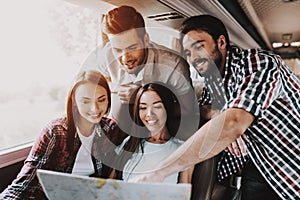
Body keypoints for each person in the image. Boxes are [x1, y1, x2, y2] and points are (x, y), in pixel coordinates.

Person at [128, 15, 300, 200]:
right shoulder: (213, 77)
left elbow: (233, 122)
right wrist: (218, 114)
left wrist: (159, 172)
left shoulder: (260, 64)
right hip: (258, 162)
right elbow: (205, 110)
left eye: (199, 46)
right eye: (187, 52)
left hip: (290, 164)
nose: (193, 57)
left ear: (221, 42)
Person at [0, 70, 127, 199]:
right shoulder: (55, 132)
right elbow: (24, 184)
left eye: (101, 100)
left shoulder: (110, 129)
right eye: (86, 101)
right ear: (74, 101)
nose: (95, 108)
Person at [81, 5, 199, 141]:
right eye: (118, 50)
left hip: (163, 126)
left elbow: (188, 110)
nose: (125, 58)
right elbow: (94, 87)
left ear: (146, 40)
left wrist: (141, 97)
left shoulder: (174, 65)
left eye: (132, 47)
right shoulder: (105, 55)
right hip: (120, 128)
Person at [111, 83, 194, 184]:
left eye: (157, 107)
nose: (149, 114)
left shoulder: (183, 149)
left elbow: (184, 194)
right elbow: (111, 186)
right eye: (143, 108)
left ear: (167, 108)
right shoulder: (129, 143)